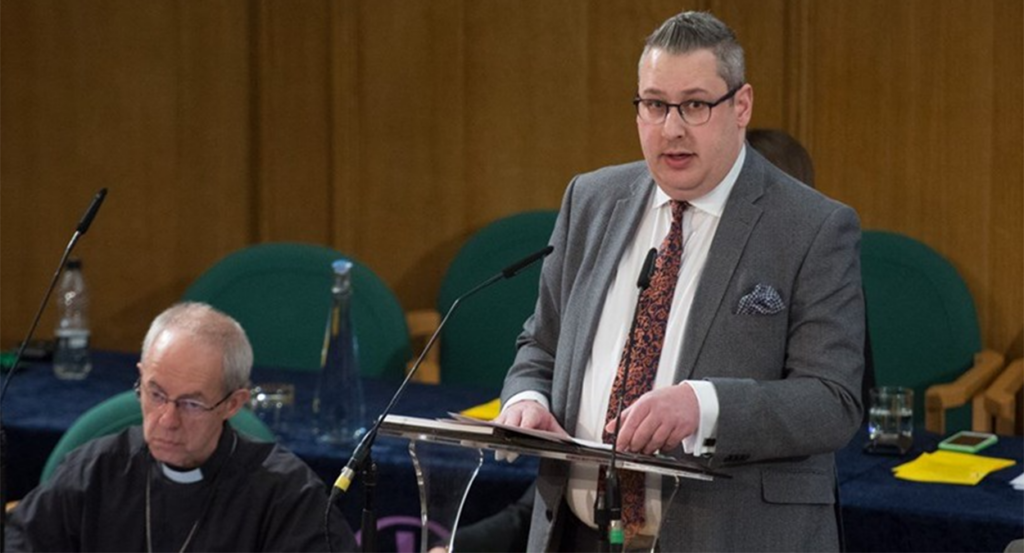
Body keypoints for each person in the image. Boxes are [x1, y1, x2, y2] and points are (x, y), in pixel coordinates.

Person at [497, 11, 864, 553]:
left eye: (695, 105)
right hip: (576, 534)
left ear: (740, 107)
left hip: (730, 537)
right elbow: (541, 345)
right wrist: (526, 399)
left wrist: (704, 407)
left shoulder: (811, 226)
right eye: (654, 104)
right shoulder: (591, 200)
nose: (672, 128)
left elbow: (832, 402)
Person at [6, 302, 357, 552]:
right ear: (142, 377)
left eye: (191, 404)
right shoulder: (93, 471)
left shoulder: (286, 496)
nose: (167, 421)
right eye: (155, 394)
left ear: (233, 404)